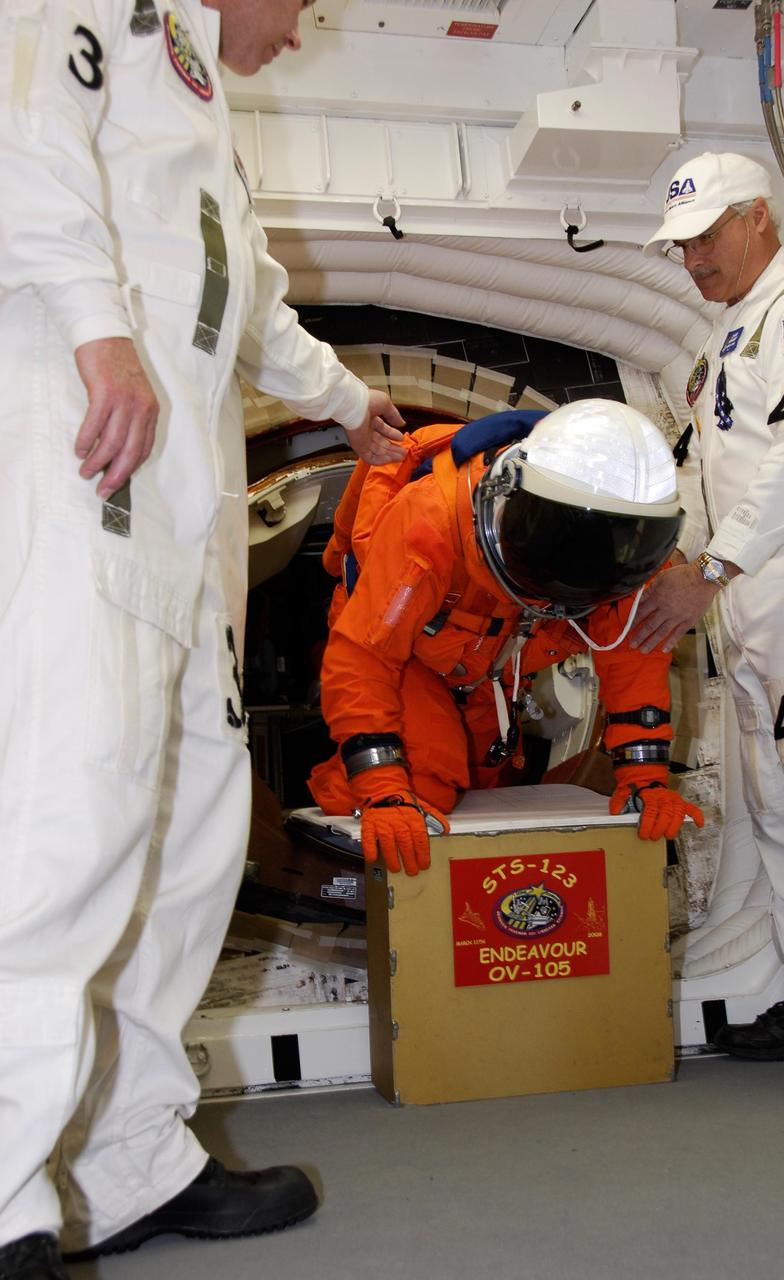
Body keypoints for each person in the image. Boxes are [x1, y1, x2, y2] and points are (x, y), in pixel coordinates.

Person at [0, 2, 407, 1276]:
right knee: (63, 837)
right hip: (85, 453)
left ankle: (132, 1158)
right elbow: (22, 130)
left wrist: (349, 404)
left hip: (187, 512)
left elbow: (248, 298)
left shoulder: (204, 105)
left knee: (187, 842)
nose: (298, 31)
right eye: (303, 5)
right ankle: (6, 1189)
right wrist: (94, 325)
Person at [632, 150, 784, 1102]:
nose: (695, 259)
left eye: (709, 236)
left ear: (760, 217)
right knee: (775, 809)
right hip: (754, 619)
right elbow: (713, 475)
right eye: (681, 246)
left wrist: (712, 570)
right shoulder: (729, 340)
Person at [309, 400, 704, 876]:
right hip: (403, 648)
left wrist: (645, 777)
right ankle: (349, 846)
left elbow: (631, 651)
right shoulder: (430, 523)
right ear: (510, 497)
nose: (566, 591)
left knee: (486, 788)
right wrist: (382, 786)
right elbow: (366, 656)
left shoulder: (621, 546)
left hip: (488, 660)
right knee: (426, 781)